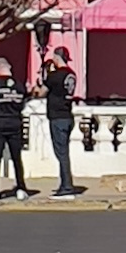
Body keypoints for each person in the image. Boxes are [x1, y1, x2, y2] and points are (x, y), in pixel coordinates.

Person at [0, 54, 30, 200]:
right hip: (15, 122)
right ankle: (21, 188)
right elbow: (23, 104)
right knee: (17, 157)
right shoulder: (20, 85)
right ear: (9, 67)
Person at [42, 45, 82, 197]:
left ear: (56, 58)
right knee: (64, 151)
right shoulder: (71, 74)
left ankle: (66, 185)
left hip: (57, 116)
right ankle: (65, 183)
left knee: (61, 153)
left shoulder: (55, 76)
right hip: (67, 115)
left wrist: (46, 75)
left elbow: (41, 91)